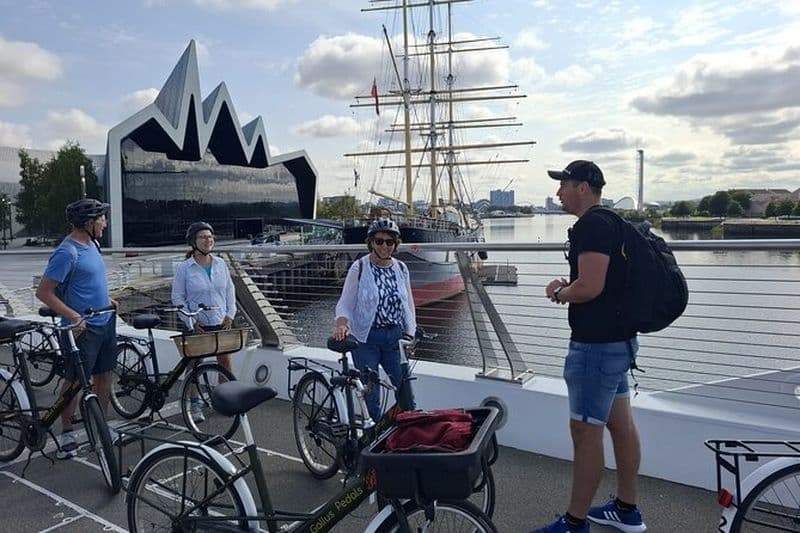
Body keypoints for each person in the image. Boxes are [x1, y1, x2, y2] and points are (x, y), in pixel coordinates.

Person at [532, 161, 646, 533]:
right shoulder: (612, 222)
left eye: (563, 184)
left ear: (583, 187)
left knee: (586, 433)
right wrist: (572, 284)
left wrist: (561, 292)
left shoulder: (592, 225)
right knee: (621, 425)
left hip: (596, 347)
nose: (558, 192)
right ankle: (627, 510)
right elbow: (603, 282)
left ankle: (574, 522)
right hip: (619, 342)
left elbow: (590, 288)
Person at [35, 198, 117, 459]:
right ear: (88, 223)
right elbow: (44, 292)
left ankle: (100, 427)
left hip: (104, 320)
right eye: (101, 218)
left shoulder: (93, 244)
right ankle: (67, 431)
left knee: (104, 376)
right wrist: (72, 316)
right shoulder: (66, 252)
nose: (105, 222)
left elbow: (89, 282)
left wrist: (108, 300)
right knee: (74, 382)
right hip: (81, 329)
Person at [333, 218, 416, 421]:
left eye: (389, 242)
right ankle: (373, 445)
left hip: (395, 339)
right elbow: (345, 303)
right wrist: (342, 323)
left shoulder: (402, 268)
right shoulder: (359, 268)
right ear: (371, 243)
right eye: (379, 241)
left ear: (396, 244)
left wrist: (411, 333)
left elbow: (409, 305)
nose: (384, 246)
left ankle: (405, 437)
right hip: (366, 339)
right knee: (372, 397)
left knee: (405, 393)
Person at [171, 221, 237, 422]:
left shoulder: (220, 263)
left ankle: (224, 398)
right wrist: (190, 321)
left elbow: (229, 290)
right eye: (203, 237)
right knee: (195, 363)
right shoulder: (184, 268)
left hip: (220, 320)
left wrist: (230, 314)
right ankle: (194, 402)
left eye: (210, 237)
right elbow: (178, 298)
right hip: (197, 323)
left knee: (224, 360)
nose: (208, 240)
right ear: (193, 242)